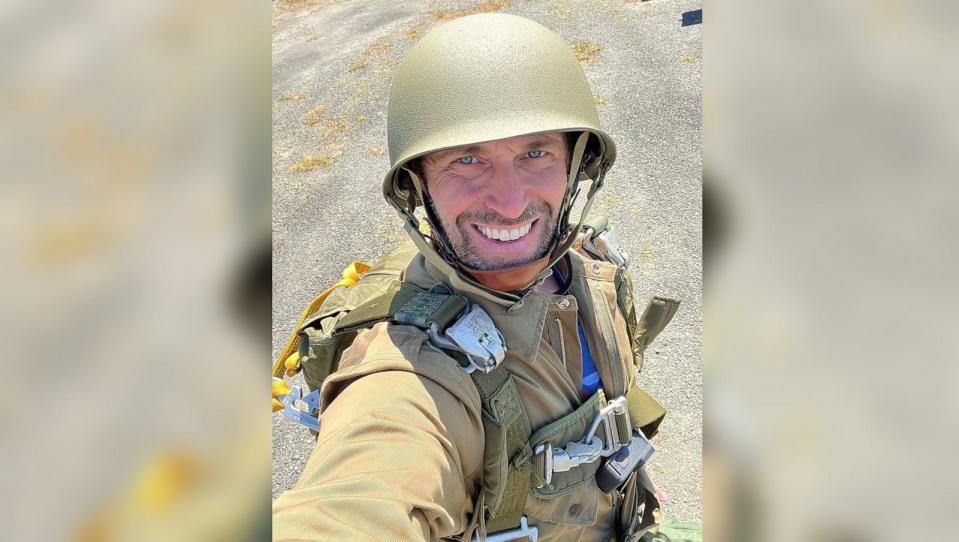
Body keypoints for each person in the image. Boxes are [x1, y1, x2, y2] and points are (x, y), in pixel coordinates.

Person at [273, 13, 680, 541]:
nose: (510, 204)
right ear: (417, 186)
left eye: (536, 152)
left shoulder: (583, 261)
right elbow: (356, 501)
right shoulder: (411, 374)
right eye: (466, 160)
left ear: (577, 162)